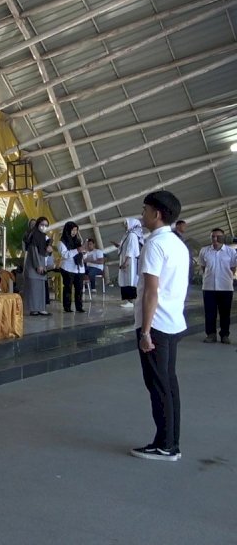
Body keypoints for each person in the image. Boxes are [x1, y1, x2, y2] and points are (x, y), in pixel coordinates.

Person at [130, 190, 187, 462]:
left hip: (157, 326)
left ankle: (165, 446)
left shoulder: (154, 245)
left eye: (145, 210)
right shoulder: (178, 243)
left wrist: (145, 332)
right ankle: (170, 441)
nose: (142, 215)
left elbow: (151, 292)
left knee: (158, 386)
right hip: (173, 322)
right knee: (169, 384)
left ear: (157, 214)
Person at [198, 227, 237, 344]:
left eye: (218, 236)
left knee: (225, 312)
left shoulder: (231, 252)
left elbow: (233, 268)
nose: (215, 239)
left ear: (223, 237)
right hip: (209, 287)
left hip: (225, 287)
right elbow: (203, 267)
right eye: (213, 236)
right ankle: (211, 334)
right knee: (210, 313)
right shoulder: (204, 251)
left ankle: (224, 335)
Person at [23, 217, 51, 316]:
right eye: (42, 225)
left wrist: (48, 251)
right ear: (38, 225)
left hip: (41, 264)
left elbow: (43, 253)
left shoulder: (43, 237)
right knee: (33, 287)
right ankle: (33, 309)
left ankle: (41, 308)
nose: (44, 227)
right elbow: (34, 252)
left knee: (40, 288)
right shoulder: (33, 235)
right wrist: (38, 265)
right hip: (33, 266)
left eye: (46, 225)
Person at [58, 221, 85, 313]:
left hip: (79, 268)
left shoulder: (78, 240)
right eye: (72, 230)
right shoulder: (62, 242)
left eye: (76, 230)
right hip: (68, 268)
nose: (74, 232)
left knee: (79, 288)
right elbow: (65, 254)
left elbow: (81, 253)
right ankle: (67, 307)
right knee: (68, 288)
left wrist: (83, 252)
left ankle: (79, 307)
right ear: (68, 230)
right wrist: (77, 250)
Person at [117, 218, 143, 309]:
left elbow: (131, 250)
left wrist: (126, 262)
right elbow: (125, 247)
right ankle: (128, 300)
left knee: (130, 280)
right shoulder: (128, 234)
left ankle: (130, 301)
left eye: (126, 224)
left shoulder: (132, 235)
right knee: (126, 280)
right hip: (127, 260)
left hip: (130, 262)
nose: (125, 226)